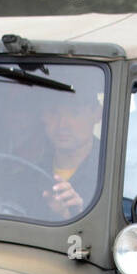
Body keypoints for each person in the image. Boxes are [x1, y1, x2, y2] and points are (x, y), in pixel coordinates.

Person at [37, 88, 102, 219]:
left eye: (74, 113)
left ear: (97, 114)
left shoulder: (114, 172)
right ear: (43, 116)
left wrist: (78, 216)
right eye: (54, 113)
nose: (62, 125)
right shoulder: (30, 171)